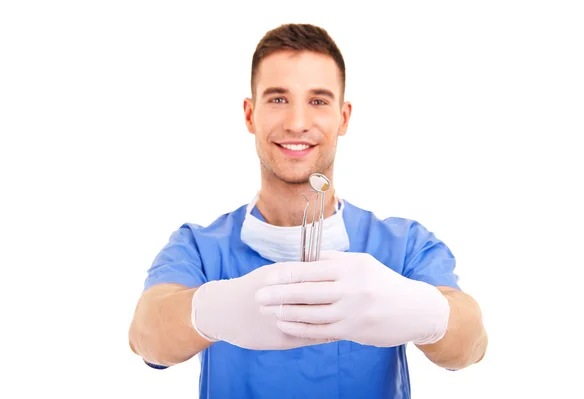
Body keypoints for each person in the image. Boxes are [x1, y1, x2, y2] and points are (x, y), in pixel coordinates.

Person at [128, 23, 488, 398]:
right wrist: (213, 311)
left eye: (318, 101)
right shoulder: (200, 248)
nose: (297, 123)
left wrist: (427, 315)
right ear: (250, 115)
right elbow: (144, 335)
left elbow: (472, 344)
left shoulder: (402, 245)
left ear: (343, 117)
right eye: (278, 99)